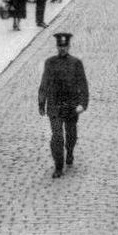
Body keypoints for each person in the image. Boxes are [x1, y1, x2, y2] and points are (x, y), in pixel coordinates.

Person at [38, 32, 90, 178]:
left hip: (71, 105)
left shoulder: (76, 63)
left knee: (71, 134)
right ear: (57, 47)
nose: (62, 49)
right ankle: (58, 166)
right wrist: (41, 103)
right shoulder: (50, 62)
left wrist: (83, 104)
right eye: (60, 46)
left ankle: (70, 152)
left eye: (65, 46)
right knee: (57, 136)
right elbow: (44, 83)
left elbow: (83, 85)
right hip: (54, 105)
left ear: (69, 46)